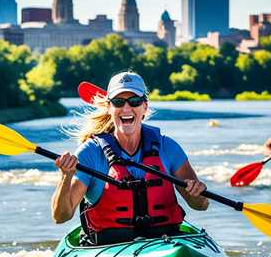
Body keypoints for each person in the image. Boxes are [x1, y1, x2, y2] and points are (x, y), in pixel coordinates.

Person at [50, 71, 209, 245]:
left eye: (134, 101)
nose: (126, 108)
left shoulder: (168, 148)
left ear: (145, 107)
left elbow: (201, 205)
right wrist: (66, 177)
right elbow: (60, 216)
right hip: (109, 249)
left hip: (165, 245)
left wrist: (196, 193)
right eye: (118, 102)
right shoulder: (90, 153)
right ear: (110, 108)